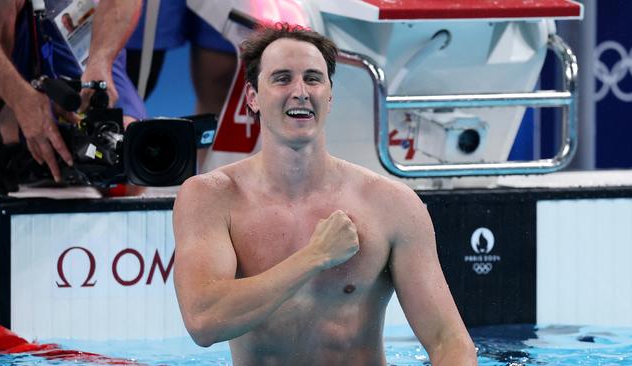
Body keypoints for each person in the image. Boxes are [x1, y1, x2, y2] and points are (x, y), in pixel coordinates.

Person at [172, 23, 478, 365]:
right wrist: (315, 256)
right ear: (252, 98)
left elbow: (449, 340)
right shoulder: (212, 198)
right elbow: (203, 322)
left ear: (329, 97)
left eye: (313, 78)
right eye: (282, 78)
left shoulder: (392, 205)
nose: (300, 91)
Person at [0, 0, 146, 193]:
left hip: (73, 20)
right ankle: (0, 134)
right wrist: (18, 97)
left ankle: (66, 160)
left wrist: (100, 60)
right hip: (10, 32)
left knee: (131, 159)